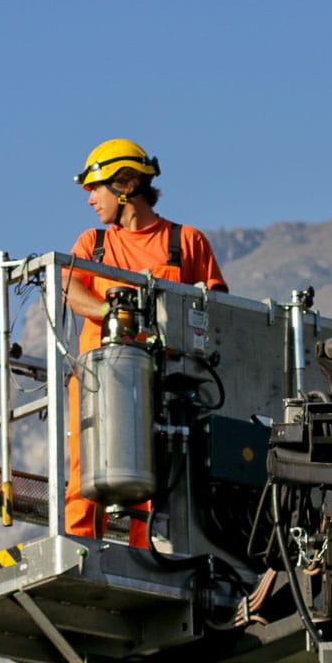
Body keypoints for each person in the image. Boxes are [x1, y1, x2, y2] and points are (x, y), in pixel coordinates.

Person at [64, 139, 228, 545]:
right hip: (98, 378)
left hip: (166, 379)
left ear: (126, 184)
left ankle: (144, 553)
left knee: (158, 465)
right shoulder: (93, 244)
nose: (90, 201)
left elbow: (217, 305)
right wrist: (110, 313)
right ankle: (79, 546)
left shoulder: (185, 241)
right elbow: (70, 291)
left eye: (95, 189)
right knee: (87, 466)